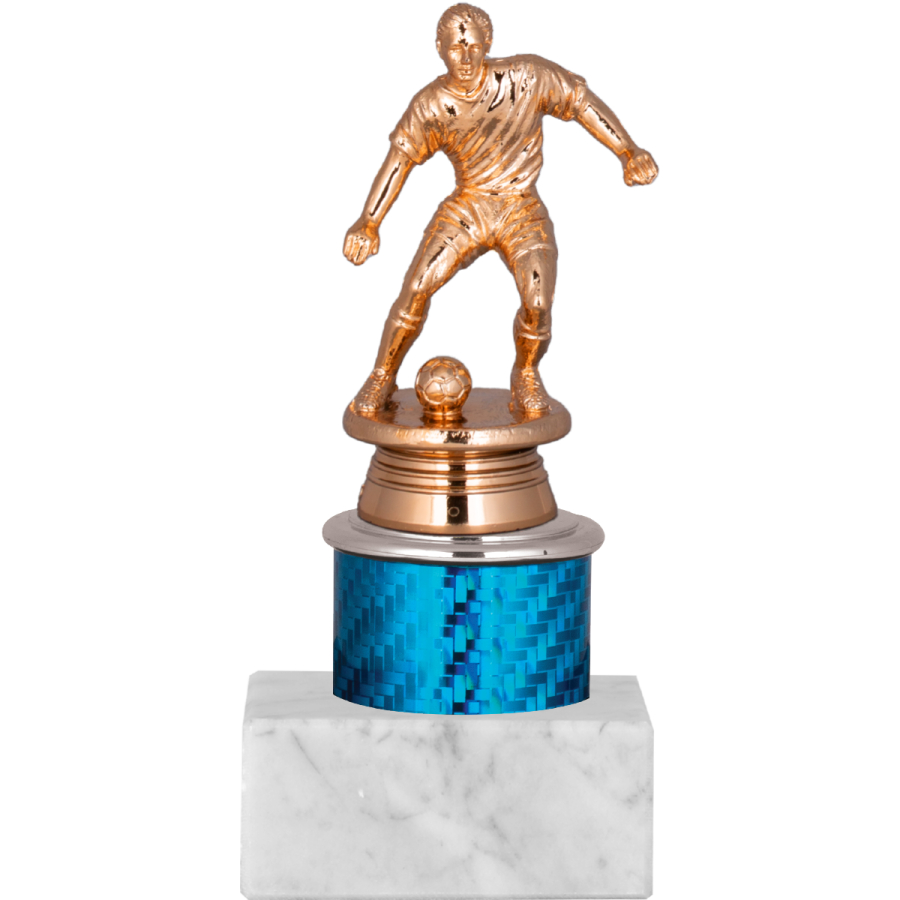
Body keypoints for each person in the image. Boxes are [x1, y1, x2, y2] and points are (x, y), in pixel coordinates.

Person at [344, 3, 658, 413]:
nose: (466, 57)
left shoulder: (527, 77)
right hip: (468, 206)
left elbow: (581, 102)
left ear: (488, 43)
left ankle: (526, 373)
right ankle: (381, 376)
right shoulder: (431, 104)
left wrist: (628, 151)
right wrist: (369, 222)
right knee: (417, 286)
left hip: (520, 207)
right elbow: (399, 161)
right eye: (455, 47)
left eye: (474, 46)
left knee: (538, 301)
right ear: (439, 48)